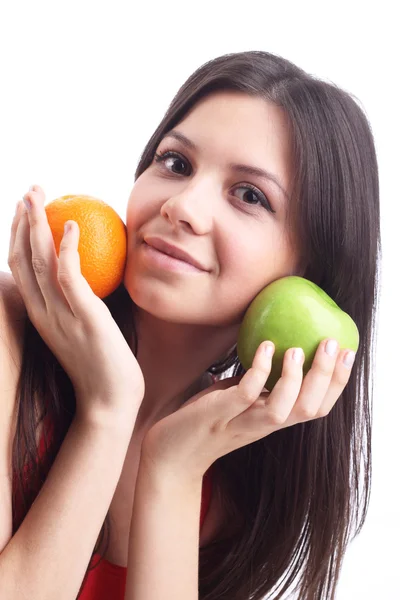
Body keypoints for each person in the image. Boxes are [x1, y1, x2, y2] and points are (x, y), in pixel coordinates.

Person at [0, 50, 380, 600]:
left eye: (249, 195)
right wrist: (108, 408)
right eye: (176, 163)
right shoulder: (8, 334)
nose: (183, 205)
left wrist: (175, 469)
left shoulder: (235, 480)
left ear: (309, 276)